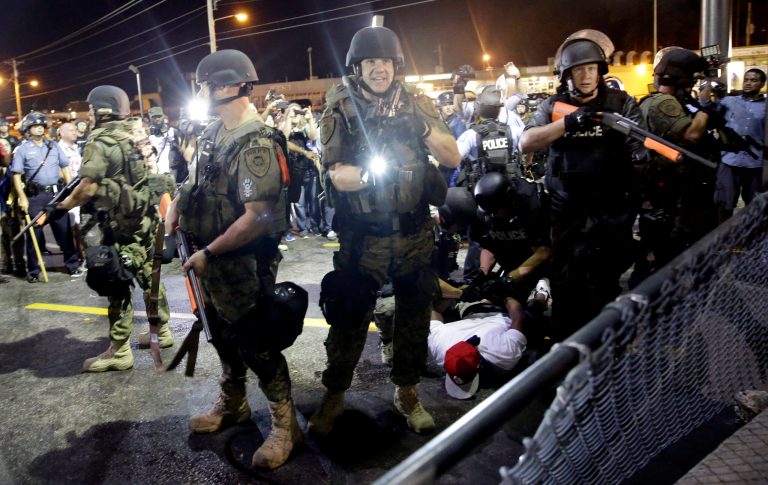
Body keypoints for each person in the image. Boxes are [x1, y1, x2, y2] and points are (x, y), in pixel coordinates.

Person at [311, 25, 460, 435]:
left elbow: (452, 154)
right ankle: (335, 394)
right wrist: (377, 174)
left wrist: (422, 127)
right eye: (370, 62)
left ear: (397, 65)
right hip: (363, 235)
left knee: (415, 315)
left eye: (386, 62)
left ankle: (407, 394)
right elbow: (336, 175)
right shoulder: (341, 106)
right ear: (358, 67)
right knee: (348, 316)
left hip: (413, 231)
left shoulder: (417, 102)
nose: (379, 69)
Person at [165, 49, 301, 469]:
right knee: (221, 334)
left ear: (226, 87)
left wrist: (209, 251)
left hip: (241, 261)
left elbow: (257, 217)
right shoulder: (214, 133)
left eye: (205, 85)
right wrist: (176, 206)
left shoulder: (256, 142)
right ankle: (234, 403)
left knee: (256, 342)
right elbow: (196, 183)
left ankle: (284, 424)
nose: (202, 92)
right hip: (211, 260)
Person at [519, 30, 644, 341]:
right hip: (568, 210)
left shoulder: (621, 103)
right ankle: (566, 346)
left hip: (610, 208)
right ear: (567, 74)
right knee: (566, 280)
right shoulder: (553, 105)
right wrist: (569, 123)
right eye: (579, 69)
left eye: (592, 68)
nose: (587, 75)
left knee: (606, 281)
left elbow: (642, 147)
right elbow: (526, 141)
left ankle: (607, 344)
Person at [54, 86, 173, 370]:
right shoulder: (137, 132)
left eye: (93, 109)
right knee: (149, 275)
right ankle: (161, 331)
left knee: (115, 280)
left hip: (116, 226)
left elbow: (87, 187)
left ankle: (119, 351)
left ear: (104, 111)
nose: (90, 114)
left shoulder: (100, 140)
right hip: (144, 218)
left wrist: (60, 206)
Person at [633, 48, 720, 284]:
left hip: (673, 189)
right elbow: (692, 135)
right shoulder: (664, 102)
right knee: (661, 252)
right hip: (666, 192)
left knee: (666, 249)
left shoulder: (671, 100)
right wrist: (705, 112)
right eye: (692, 80)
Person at [11, 111, 81, 282]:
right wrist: (22, 197)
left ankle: (72, 265)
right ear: (28, 129)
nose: (39, 129)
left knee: (64, 232)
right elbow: (16, 175)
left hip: (56, 195)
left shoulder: (53, 146)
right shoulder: (23, 149)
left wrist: (71, 189)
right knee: (35, 236)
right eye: (35, 126)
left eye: (41, 126)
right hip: (36, 198)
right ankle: (33, 271)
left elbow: (64, 167)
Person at [714, 68, 765, 222]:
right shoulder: (729, 101)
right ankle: (722, 240)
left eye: (753, 80)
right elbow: (707, 111)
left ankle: (749, 239)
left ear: (762, 83)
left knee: (754, 207)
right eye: (746, 79)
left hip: (756, 164)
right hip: (729, 161)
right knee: (724, 204)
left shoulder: (766, 106)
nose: (748, 83)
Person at [147, 106, 180, 178]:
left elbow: (179, 149)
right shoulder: (147, 134)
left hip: (170, 169)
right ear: (150, 118)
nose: (157, 119)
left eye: (159, 116)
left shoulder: (172, 131)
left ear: (163, 116)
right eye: (154, 117)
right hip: (155, 170)